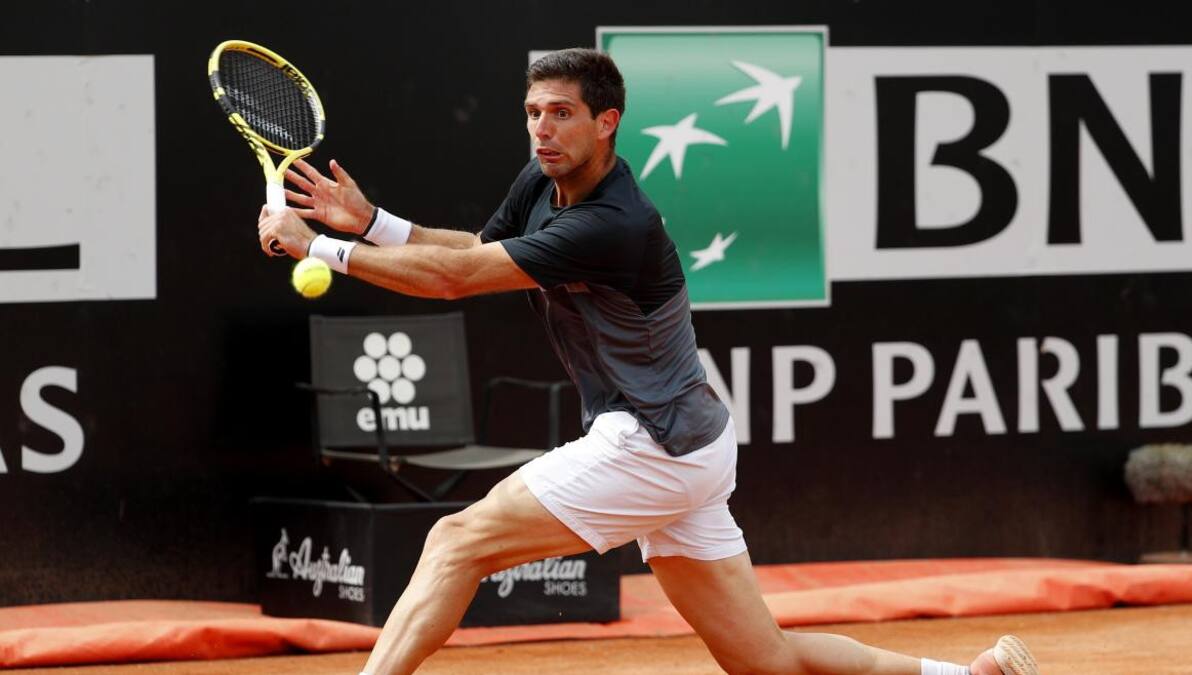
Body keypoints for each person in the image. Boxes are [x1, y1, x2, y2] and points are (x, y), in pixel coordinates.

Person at [256, 48, 1039, 675]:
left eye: (561, 114)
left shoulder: (615, 222)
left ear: (608, 122)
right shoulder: (544, 178)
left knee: (457, 540)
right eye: (532, 113)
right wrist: (374, 224)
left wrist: (322, 246)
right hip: (692, 446)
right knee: (763, 659)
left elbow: (460, 279)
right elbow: (476, 250)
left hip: (652, 443)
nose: (542, 130)